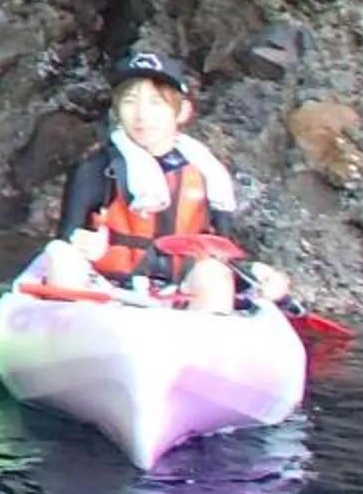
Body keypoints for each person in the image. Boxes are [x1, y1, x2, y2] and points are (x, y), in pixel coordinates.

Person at [23, 50, 290, 314]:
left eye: (156, 102)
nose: (142, 116)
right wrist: (80, 244)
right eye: (130, 101)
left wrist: (259, 275)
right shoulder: (96, 170)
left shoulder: (207, 175)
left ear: (182, 111)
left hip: (178, 294)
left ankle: (206, 344)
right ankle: (70, 338)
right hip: (104, 295)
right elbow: (67, 238)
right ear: (117, 109)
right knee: (60, 254)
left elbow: (225, 251)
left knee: (213, 273)